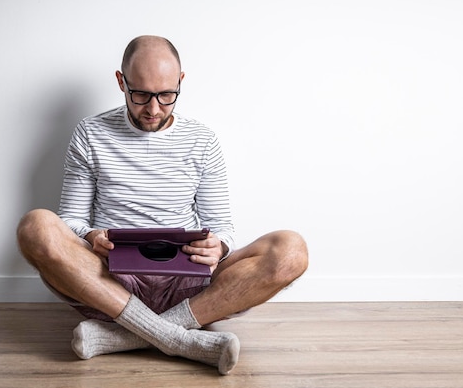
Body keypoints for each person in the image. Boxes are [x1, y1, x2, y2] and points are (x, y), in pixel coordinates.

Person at [16, 35, 309, 376]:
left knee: (291, 250)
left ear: (181, 82)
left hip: (188, 285)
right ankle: (178, 339)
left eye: (167, 95)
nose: (153, 109)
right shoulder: (90, 133)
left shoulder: (202, 140)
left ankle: (126, 336)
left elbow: (222, 226)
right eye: (139, 94)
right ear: (120, 81)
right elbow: (72, 220)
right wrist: (92, 235)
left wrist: (220, 245)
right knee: (35, 226)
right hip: (107, 280)